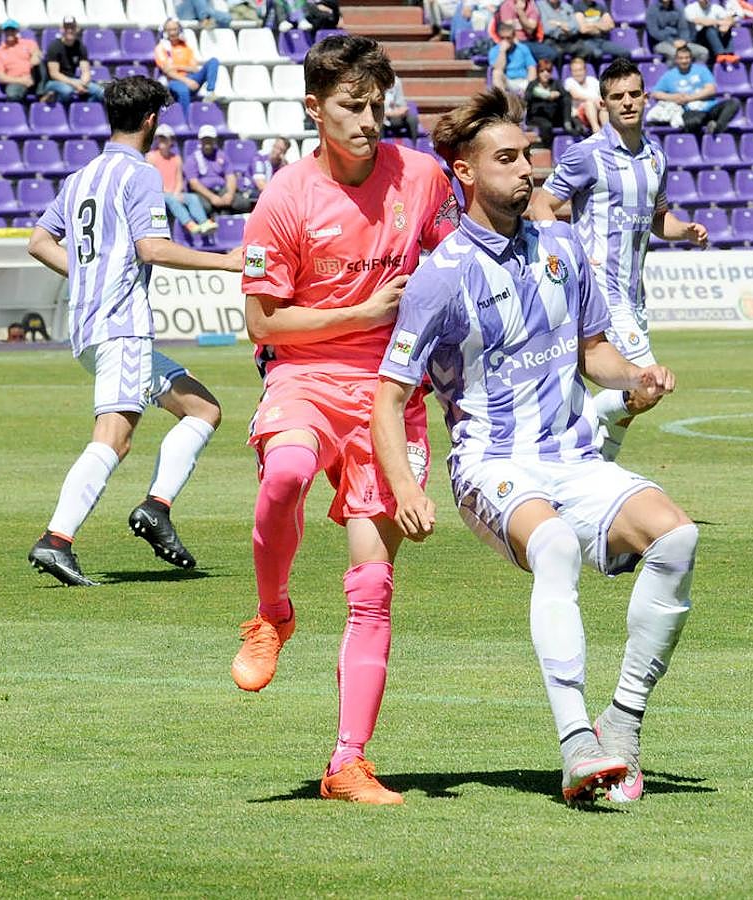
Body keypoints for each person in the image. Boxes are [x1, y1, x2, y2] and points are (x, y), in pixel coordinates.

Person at [372, 88, 700, 806]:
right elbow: (388, 398)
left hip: (573, 458)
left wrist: (636, 378)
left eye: (531, 156)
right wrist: (404, 489)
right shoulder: (442, 277)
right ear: (465, 173)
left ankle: (622, 723)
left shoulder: (561, 246)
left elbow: (595, 350)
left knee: (675, 539)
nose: (529, 170)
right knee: (552, 546)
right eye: (509, 158)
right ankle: (576, 744)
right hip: (488, 463)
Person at [230, 35, 459, 805]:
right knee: (288, 471)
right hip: (306, 374)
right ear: (314, 109)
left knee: (372, 586)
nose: (368, 121)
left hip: (392, 395)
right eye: (351, 107)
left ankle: (347, 763)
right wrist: (360, 310)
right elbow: (262, 324)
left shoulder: (420, 177)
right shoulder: (285, 197)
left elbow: (456, 262)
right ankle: (272, 614)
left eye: (376, 105)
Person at [26, 76, 242, 587]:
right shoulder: (140, 173)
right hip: (121, 325)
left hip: (89, 326)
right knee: (115, 439)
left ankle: (156, 508)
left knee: (203, 408)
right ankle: (56, 539)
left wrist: (87, 273)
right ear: (151, 120)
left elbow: (38, 241)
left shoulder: (80, 176)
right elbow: (154, 249)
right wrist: (225, 262)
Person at [529, 58, 708, 461]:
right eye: (616, 96)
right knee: (648, 382)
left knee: (636, 397)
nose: (627, 102)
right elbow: (543, 203)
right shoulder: (587, 155)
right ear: (604, 103)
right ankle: (573, 437)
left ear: (646, 98)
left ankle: (598, 468)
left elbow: (659, 219)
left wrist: (686, 231)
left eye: (633, 94)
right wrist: (559, 253)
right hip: (599, 290)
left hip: (633, 295)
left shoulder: (656, 157)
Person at [146, 123, 218, 237]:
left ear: (171, 140)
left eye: (164, 138)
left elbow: (179, 179)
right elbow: (150, 181)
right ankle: (190, 224)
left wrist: (177, 192)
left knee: (192, 198)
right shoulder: (151, 157)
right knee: (171, 199)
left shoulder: (177, 158)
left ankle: (204, 222)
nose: (161, 141)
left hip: (174, 193)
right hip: (158, 194)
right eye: (159, 138)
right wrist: (168, 193)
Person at [651, 45, 742, 134]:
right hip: (690, 111)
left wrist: (689, 98)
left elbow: (711, 89)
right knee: (693, 121)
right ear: (676, 59)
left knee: (733, 103)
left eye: (687, 58)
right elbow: (655, 93)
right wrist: (674, 97)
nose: (684, 61)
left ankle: (717, 127)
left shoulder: (702, 70)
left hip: (710, 109)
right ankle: (708, 132)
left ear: (691, 58)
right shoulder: (669, 75)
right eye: (681, 58)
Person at [154, 18, 220, 120]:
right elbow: (167, 71)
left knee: (213, 61)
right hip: (175, 81)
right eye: (169, 30)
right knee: (183, 91)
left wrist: (176, 66)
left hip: (190, 77)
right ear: (165, 32)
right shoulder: (161, 48)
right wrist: (187, 80)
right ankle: (185, 121)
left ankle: (210, 92)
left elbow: (195, 69)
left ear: (179, 30)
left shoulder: (185, 46)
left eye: (175, 29)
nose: (173, 33)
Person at [188, 124, 253, 215]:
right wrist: (212, 197)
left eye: (210, 139)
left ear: (214, 140)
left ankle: (225, 215)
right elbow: (194, 184)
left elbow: (230, 176)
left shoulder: (222, 155)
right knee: (206, 207)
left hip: (222, 189)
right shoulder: (193, 159)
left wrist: (230, 194)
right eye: (205, 139)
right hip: (204, 192)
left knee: (243, 204)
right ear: (200, 140)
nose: (207, 142)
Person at [42, 16, 105, 105]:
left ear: (77, 29)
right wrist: (75, 84)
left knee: (100, 92)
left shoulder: (80, 46)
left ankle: (84, 109)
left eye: (72, 27)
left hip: (74, 80)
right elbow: (54, 74)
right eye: (66, 27)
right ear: (62, 29)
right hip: (54, 82)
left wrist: (83, 83)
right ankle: (55, 104)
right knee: (67, 91)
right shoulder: (54, 47)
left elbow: (86, 71)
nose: (70, 30)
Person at [0, 19, 43, 102]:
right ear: (4, 32)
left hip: (33, 78)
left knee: (41, 62)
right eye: (7, 30)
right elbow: (1, 77)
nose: (10, 33)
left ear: (16, 31)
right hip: (16, 81)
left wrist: (35, 56)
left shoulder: (28, 43)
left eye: (12, 30)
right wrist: (22, 80)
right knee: (13, 94)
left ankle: (42, 93)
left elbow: (36, 51)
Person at [525, 57, 572, 146]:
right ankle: (547, 147)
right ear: (538, 72)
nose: (545, 74)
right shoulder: (533, 84)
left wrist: (558, 95)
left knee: (573, 118)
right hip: (538, 116)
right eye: (542, 71)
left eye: (548, 71)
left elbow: (566, 96)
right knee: (546, 126)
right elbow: (527, 97)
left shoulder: (555, 83)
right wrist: (545, 95)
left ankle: (567, 123)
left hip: (554, 115)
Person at [644, 0, 709, 65]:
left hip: (680, 42)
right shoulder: (651, 10)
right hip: (661, 42)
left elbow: (684, 28)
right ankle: (673, 74)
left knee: (703, 52)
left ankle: (695, 73)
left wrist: (684, 41)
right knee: (675, 53)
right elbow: (654, 32)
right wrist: (672, 41)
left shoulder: (678, 8)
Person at [571, 0, 632, 65]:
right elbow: (583, 29)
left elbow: (611, 25)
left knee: (625, 53)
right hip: (586, 41)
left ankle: (617, 73)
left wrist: (592, 24)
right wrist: (601, 24)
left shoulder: (600, 6)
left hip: (602, 41)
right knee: (597, 54)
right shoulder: (577, 7)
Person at [490, 21, 537, 96]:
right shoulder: (495, 50)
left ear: (513, 37)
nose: (505, 40)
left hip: (522, 80)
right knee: (496, 73)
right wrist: (502, 52)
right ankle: (502, 101)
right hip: (507, 81)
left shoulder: (522, 48)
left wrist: (530, 85)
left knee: (532, 73)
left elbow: (531, 67)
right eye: (502, 38)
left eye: (508, 38)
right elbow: (498, 68)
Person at [565, 55, 604, 132]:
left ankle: (607, 132)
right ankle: (596, 130)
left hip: (598, 111)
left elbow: (603, 94)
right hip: (579, 115)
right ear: (571, 72)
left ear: (585, 70)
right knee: (589, 103)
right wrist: (594, 99)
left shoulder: (592, 80)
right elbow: (575, 95)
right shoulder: (569, 81)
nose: (578, 73)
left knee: (604, 108)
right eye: (575, 71)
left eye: (580, 70)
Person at [382, 75, 420, 143]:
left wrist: (402, 110)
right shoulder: (373, 80)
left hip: (393, 115)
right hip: (380, 115)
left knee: (412, 119)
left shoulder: (396, 81)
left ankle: (414, 146)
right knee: (378, 121)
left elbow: (401, 103)